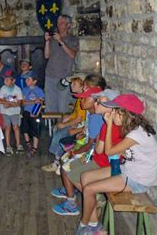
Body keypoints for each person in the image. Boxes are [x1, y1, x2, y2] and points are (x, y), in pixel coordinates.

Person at [75, 94, 157, 234]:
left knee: (89, 189)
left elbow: (108, 151)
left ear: (123, 113)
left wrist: (108, 125)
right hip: (130, 169)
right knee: (85, 177)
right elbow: (131, 152)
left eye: (114, 111)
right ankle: (93, 224)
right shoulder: (133, 129)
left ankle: (84, 227)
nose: (111, 113)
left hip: (139, 179)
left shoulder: (136, 134)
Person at [51, 89, 121, 217]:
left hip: (101, 161)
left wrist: (75, 152)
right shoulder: (99, 119)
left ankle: (76, 200)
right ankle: (74, 191)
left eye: (98, 102)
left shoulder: (101, 121)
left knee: (66, 168)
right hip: (97, 156)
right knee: (66, 163)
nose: (95, 104)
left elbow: (97, 148)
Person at [42, 75, 86, 173]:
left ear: (82, 86)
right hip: (75, 122)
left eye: (74, 84)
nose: (71, 86)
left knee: (60, 134)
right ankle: (59, 159)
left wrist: (65, 124)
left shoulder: (84, 99)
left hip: (79, 125)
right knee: (57, 128)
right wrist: (66, 119)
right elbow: (75, 114)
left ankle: (57, 163)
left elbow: (79, 119)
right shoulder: (79, 98)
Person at [43, 14, 79, 113]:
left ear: (68, 25)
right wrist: (46, 41)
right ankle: (52, 128)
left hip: (64, 77)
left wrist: (61, 41)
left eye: (62, 23)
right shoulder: (53, 39)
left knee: (63, 107)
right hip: (50, 76)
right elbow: (46, 56)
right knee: (50, 107)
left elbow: (72, 55)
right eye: (58, 22)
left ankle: (62, 128)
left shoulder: (73, 39)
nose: (59, 25)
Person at [0, 69, 23, 155]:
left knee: (16, 127)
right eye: (5, 79)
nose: (5, 81)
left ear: (13, 80)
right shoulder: (3, 89)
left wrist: (9, 105)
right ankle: (8, 146)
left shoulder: (17, 89)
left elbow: (19, 102)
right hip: (5, 112)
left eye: (8, 79)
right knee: (7, 127)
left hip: (15, 112)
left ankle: (18, 144)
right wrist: (10, 103)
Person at [20, 71, 45, 157]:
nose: (26, 81)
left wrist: (36, 113)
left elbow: (40, 102)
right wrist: (33, 101)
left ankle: (34, 148)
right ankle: (28, 143)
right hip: (27, 112)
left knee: (35, 130)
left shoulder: (39, 90)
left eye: (28, 79)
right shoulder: (24, 90)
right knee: (24, 128)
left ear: (34, 81)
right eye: (26, 79)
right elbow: (23, 102)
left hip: (35, 112)